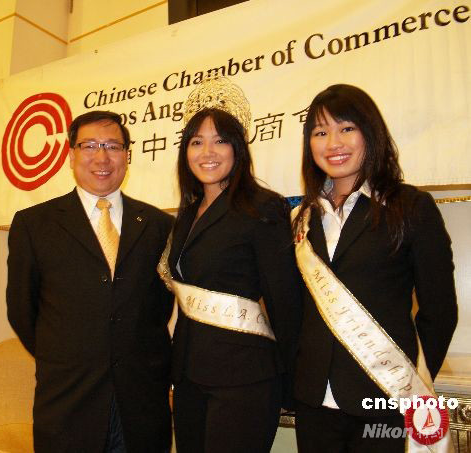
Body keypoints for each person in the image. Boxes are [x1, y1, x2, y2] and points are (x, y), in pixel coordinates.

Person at [292, 84, 458, 452]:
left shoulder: (410, 207)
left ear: (370, 132)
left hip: (384, 401)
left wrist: (409, 383)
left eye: (346, 128)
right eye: (320, 132)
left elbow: (440, 310)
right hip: (314, 403)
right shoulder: (302, 217)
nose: (333, 142)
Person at [6, 110, 174, 453]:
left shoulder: (159, 225)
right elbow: (21, 310)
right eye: (89, 145)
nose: (102, 157)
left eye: (112, 146)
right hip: (68, 402)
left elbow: (160, 307)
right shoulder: (34, 224)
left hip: (140, 404)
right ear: (71, 155)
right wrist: (68, 355)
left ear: (127, 156)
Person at [157, 78, 303, 453]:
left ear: (238, 148)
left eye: (220, 140)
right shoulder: (186, 215)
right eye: (196, 142)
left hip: (244, 377)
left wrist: (293, 381)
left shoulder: (262, 207)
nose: (207, 152)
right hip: (189, 377)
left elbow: (284, 300)